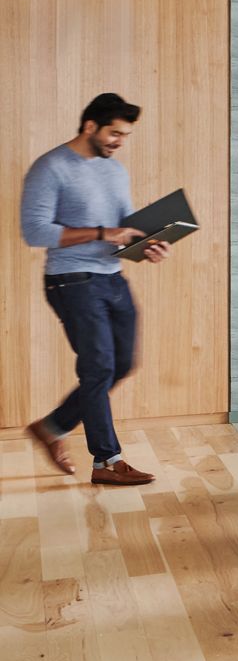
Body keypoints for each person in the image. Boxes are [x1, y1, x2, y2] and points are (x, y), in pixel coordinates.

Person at [18, 93, 170, 486]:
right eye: (114, 133)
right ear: (90, 126)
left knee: (121, 364)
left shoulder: (114, 170)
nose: (119, 141)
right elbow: (34, 232)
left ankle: (52, 427)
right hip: (70, 280)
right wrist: (104, 232)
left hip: (112, 276)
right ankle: (106, 461)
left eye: (125, 135)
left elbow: (121, 228)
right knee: (98, 366)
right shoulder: (50, 168)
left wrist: (146, 245)